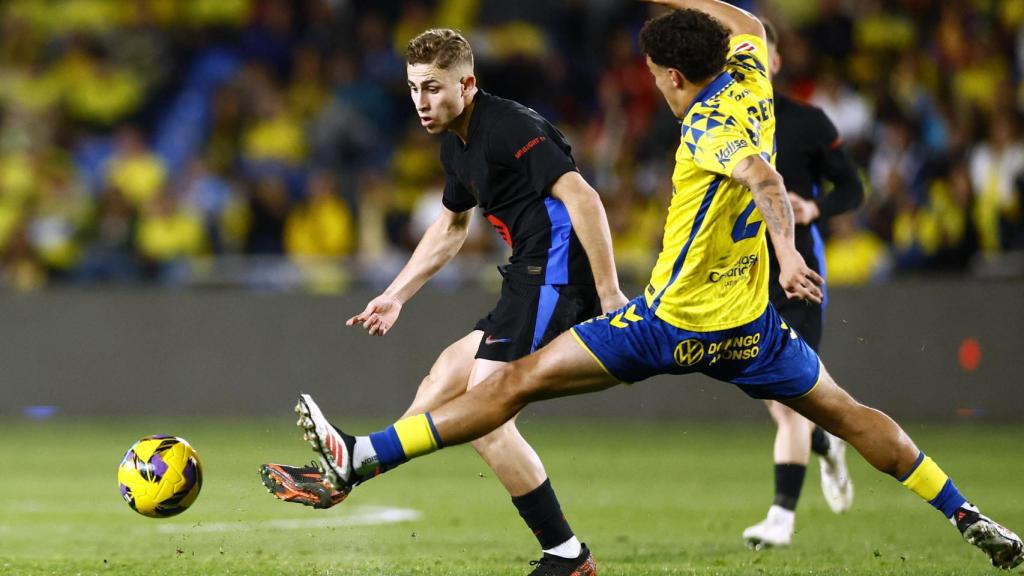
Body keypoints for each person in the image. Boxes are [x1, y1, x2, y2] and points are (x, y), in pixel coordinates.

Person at [285, 2, 1023, 570]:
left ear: (673, 77)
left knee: (507, 387)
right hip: (752, 332)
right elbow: (750, 23)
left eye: (653, 75)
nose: (652, 85)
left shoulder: (702, 127)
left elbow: (763, 179)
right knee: (849, 414)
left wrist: (787, 250)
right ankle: (962, 513)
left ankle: (368, 455)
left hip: (666, 323)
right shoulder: (754, 76)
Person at [260, 28, 626, 576]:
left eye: (433, 88)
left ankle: (567, 556)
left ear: (468, 83)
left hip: (556, 281)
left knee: (487, 416)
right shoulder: (454, 145)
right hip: (526, 279)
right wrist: (395, 294)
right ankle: (356, 468)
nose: (421, 102)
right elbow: (453, 224)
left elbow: (585, 198)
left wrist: (610, 292)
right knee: (442, 379)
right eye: (413, 89)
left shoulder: (510, 127)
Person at [741, 21, 865, 550]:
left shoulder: (809, 122)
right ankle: (826, 443)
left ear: (775, 60)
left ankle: (781, 517)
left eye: (756, 51)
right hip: (742, 277)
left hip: (798, 276)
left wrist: (817, 206)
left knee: (788, 399)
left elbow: (853, 188)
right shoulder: (725, 124)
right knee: (776, 396)